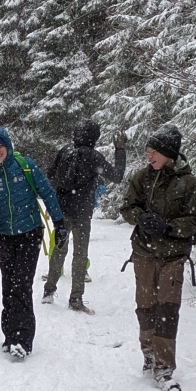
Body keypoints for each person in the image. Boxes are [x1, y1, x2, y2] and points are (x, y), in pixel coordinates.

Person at [0, 126, 65, 361]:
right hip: (3, 237)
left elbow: (47, 192)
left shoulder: (25, 166)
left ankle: (22, 339)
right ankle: (9, 335)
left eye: (1, 146)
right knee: (8, 286)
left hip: (30, 234)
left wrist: (59, 223)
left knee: (21, 285)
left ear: (8, 146)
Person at [118, 126, 196, 391]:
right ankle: (149, 356)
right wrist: (141, 218)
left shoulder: (188, 183)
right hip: (143, 252)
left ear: (168, 153)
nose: (148, 155)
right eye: (148, 150)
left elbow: (193, 221)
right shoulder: (141, 177)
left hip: (173, 255)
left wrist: (167, 227)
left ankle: (164, 368)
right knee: (146, 307)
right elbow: (128, 207)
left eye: (154, 151)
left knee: (167, 309)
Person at [42, 121, 126, 313]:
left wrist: (59, 194)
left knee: (59, 249)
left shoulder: (65, 151)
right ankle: (76, 298)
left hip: (62, 209)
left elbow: (50, 174)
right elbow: (116, 176)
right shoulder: (94, 157)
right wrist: (119, 150)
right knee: (80, 254)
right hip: (81, 212)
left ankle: (48, 291)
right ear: (94, 137)